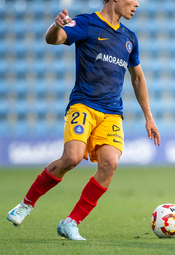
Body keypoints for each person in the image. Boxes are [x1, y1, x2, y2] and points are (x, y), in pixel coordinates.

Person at [7, 0, 160, 241]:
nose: (137, 3)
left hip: (111, 112)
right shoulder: (88, 23)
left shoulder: (129, 38)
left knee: (110, 164)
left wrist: (149, 117)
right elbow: (53, 39)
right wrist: (56, 26)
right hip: (84, 105)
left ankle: (71, 222)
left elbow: (138, 78)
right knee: (72, 158)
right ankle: (26, 204)